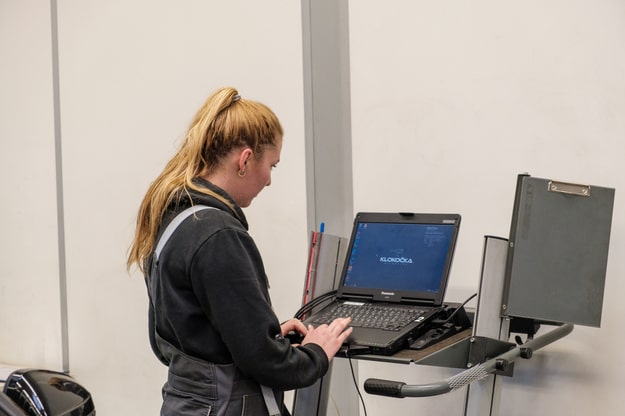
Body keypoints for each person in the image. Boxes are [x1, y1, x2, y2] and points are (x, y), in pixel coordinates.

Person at [127, 87, 352, 416]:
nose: (269, 180)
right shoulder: (219, 235)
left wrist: (261, 335)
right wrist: (316, 352)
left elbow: (176, 338)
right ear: (245, 160)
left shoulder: (172, 219)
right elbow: (268, 364)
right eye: (272, 165)